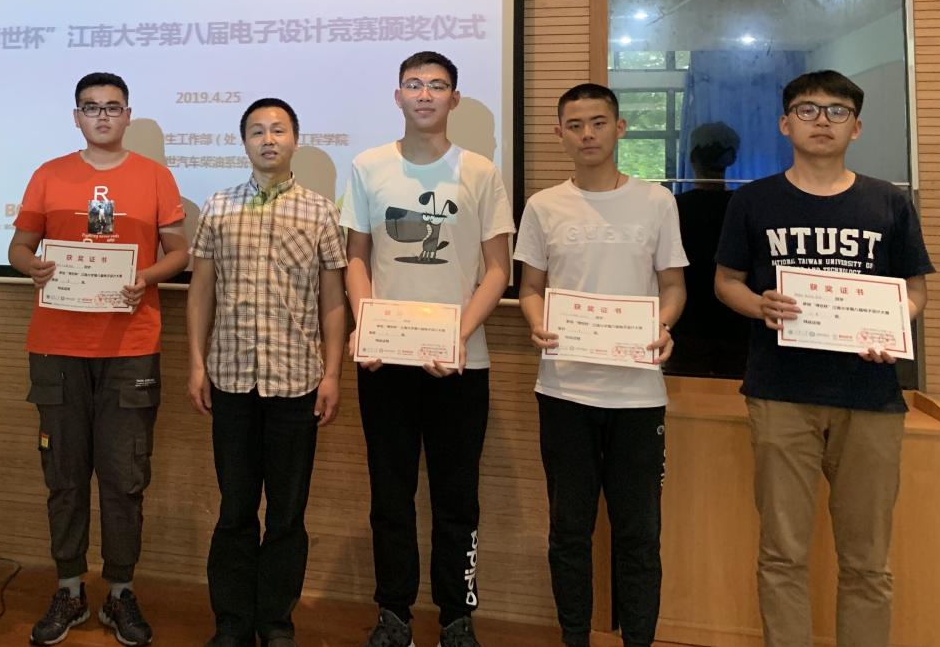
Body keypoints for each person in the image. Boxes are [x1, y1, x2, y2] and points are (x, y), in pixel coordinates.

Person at [714, 70, 933, 647]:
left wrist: (893, 325)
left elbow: (915, 289)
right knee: (781, 553)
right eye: (808, 110)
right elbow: (726, 282)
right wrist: (758, 304)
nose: (822, 121)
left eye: (838, 111)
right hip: (780, 394)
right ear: (785, 123)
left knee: (867, 560)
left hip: (870, 396)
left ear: (856, 128)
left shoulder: (889, 201)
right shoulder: (753, 200)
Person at [340, 51, 514, 647]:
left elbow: (498, 270)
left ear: (453, 99)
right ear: (397, 96)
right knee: (390, 496)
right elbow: (357, 257)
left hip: (460, 362)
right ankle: (393, 613)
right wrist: (364, 324)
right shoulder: (368, 166)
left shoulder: (481, 172)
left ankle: (456, 617)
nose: (424, 94)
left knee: (456, 498)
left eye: (437, 86)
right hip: (384, 360)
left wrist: (457, 335)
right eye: (413, 84)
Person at [8, 72, 188, 647]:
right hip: (57, 347)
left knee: (124, 476)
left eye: (113, 107)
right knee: (63, 475)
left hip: (131, 348)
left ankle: (119, 592)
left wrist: (146, 277)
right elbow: (19, 247)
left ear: (128, 114)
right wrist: (31, 266)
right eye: (92, 107)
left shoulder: (155, 176)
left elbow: (179, 251)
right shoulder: (49, 174)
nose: (103, 116)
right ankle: (68, 587)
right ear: (76, 116)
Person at [514, 82, 686, 647]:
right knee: (569, 531)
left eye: (598, 122)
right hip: (564, 390)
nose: (587, 134)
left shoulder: (656, 202)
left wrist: (663, 326)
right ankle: (574, 638)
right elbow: (531, 288)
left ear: (620, 128)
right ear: (559, 133)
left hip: (638, 396)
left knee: (640, 535)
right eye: (575, 125)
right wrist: (537, 322)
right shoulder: (543, 205)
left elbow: (673, 286)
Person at [187, 97, 347, 647]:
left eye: (278, 129)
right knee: (234, 510)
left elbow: (333, 300)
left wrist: (332, 374)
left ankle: (276, 623)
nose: (268, 139)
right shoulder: (218, 206)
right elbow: (201, 291)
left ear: (295, 140)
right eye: (256, 131)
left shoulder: (320, 211)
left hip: (296, 382)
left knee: (287, 514)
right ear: (244, 143)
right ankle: (231, 623)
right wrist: (196, 364)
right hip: (230, 379)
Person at [667, 121, 750, 377]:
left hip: (685, 322)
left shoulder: (673, 207)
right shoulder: (745, 206)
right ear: (732, 158)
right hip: (737, 324)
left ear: (691, 158)